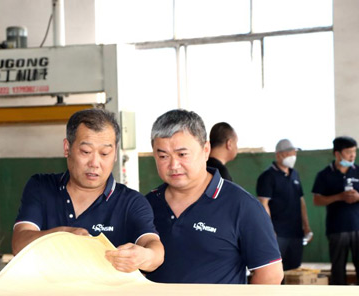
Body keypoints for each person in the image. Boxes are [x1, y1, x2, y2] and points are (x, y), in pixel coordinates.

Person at [12, 108, 164, 274]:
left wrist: (144, 256)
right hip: (47, 290)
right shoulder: (41, 187)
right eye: (86, 152)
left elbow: (154, 250)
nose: (94, 163)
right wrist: (63, 234)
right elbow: (19, 243)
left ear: (115, 154)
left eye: (104, 153)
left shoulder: (131, 202)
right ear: (67, 148)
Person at [144, 109, 283, 284]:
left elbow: (270, 274)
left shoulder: (242, 206)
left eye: (182, 154)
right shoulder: (145, 206)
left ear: (206, 150)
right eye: (163, 156)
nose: (173, 165)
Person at [257, 139, 312, 274]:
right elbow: (264, 204)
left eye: (294, 153)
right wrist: (270, 230)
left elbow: (301, 201)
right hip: (278, 234)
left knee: (293, 271)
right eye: (288, 153)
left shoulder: (295, 174)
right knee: (276, 272)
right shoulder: (267, 176)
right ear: (278, 155)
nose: (292, 156)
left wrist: (306, 226)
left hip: (296, 233)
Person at [312, 136, 359, 285]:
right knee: (338, 269)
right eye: (348, 152)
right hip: (337, 228)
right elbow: (317, 200)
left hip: (357, 226)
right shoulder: (324, 174)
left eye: (354, 152)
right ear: (337, 154)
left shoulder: (357, 171)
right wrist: (339, 196)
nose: (352, 156)